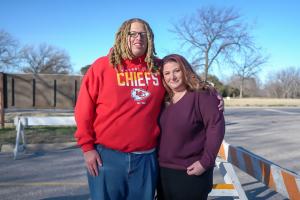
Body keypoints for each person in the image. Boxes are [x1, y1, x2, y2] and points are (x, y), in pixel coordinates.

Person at [75, 18, 223, 200]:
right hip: (108, 157)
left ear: (150, 39)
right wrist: (87, 147)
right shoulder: (102, 67)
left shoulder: (157, 68)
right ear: (122, 37)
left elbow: (181, 74)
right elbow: (83, 110)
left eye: (143, 34)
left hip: (146, 159)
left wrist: (209, 89)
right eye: (133, 34)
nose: (139, 38)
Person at [157, 54, 225, 200]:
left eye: (177, 71)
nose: (172, 77)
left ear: (185, 70)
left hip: (191, 172)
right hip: (164, 173)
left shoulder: (202, 95)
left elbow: (216, 128)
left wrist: (205, 162)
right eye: (167, 73)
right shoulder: (163, 99)